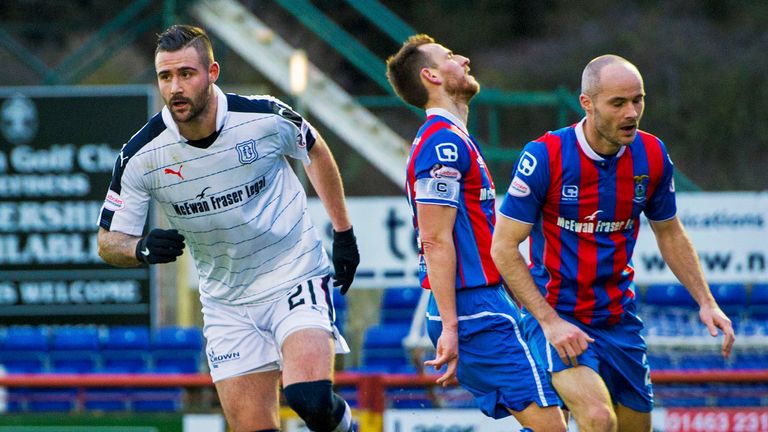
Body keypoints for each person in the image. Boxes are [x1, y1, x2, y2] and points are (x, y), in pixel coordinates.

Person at [96, 25, 359, 432]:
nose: (175, 87)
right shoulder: (141, 155)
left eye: (187, 73)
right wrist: (141, 249)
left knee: (310, 401)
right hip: (226, 304)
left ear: (212, 72)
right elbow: (107, 242)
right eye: (165, 77)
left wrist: (343, 233)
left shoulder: (263, 117)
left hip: (293, 274)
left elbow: (314, 149)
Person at [491, 54, 736, 432]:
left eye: (638, 100)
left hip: (619, 318)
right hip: (559, 316)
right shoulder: (545, 157)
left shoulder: (652, 155)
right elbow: (503, 248)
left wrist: (706, 301)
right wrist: (548, 321)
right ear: (586, 104)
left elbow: (669, 231)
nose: (632, 112)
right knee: (598, 419)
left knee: (634, 428)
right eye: (618, 103)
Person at [385, 34, 566, 432]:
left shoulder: (455, 139)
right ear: (431, 76)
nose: (464, 59)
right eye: (450, 56)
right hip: (474, 310)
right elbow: (434, 239)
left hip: (483, 304)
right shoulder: (442, 145)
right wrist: (451, 327)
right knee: (552, 427)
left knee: (562, 407)